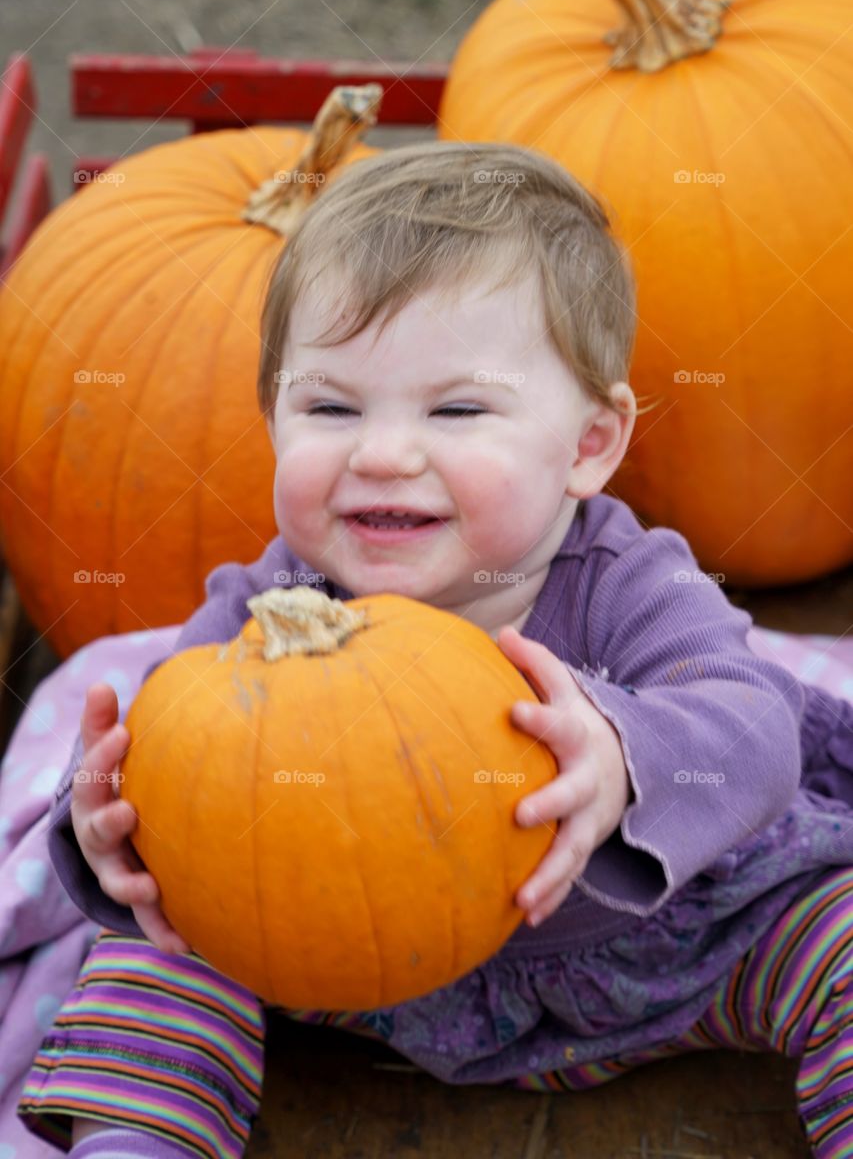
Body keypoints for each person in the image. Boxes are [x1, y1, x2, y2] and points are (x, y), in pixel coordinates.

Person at [18, 142, 853, 1158]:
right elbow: (168, 758)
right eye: (330, 406)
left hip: (669, 950)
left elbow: (748, 718)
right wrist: (109, 828)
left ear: (589, 443)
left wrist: (624, 756)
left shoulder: (633, 580)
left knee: (841, 934)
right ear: (272, 413)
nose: (381, 451)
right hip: (358, 975)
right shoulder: (276, 603)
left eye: (456, 409)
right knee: (151, 954)